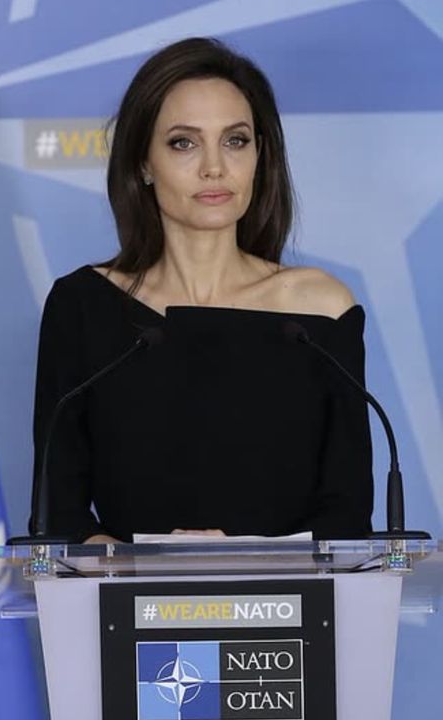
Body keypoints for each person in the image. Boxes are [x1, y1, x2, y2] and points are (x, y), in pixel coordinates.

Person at [29, 38, 373, 544]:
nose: (214, 167)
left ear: (260, 154)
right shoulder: (83, 306)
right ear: (143, 163)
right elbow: (59, 511)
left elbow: (346, 518)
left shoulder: (321, 310)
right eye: (183, 143)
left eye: (235, 140)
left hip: (288, 614)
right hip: (131, 615)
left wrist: (244, 567)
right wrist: (150, 578)